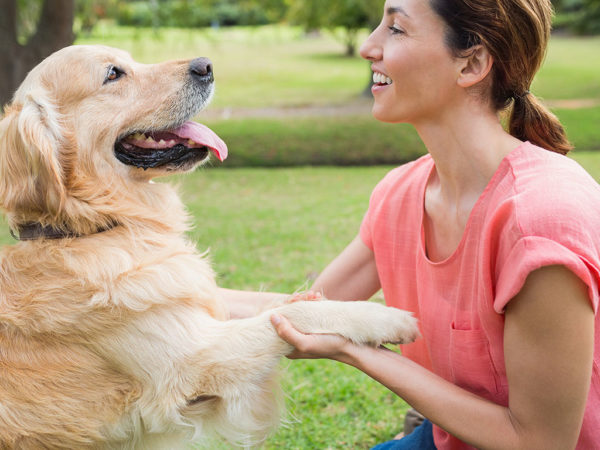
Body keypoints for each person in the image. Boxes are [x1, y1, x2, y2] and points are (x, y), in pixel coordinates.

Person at [220, 0, 600, 448]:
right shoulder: (400, 193)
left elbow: (542, 442)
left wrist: (355, 350)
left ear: (472, 62)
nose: (367, 47)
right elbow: (312, 312)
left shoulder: (539, 218)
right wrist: (147, 296)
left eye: (396, 29)